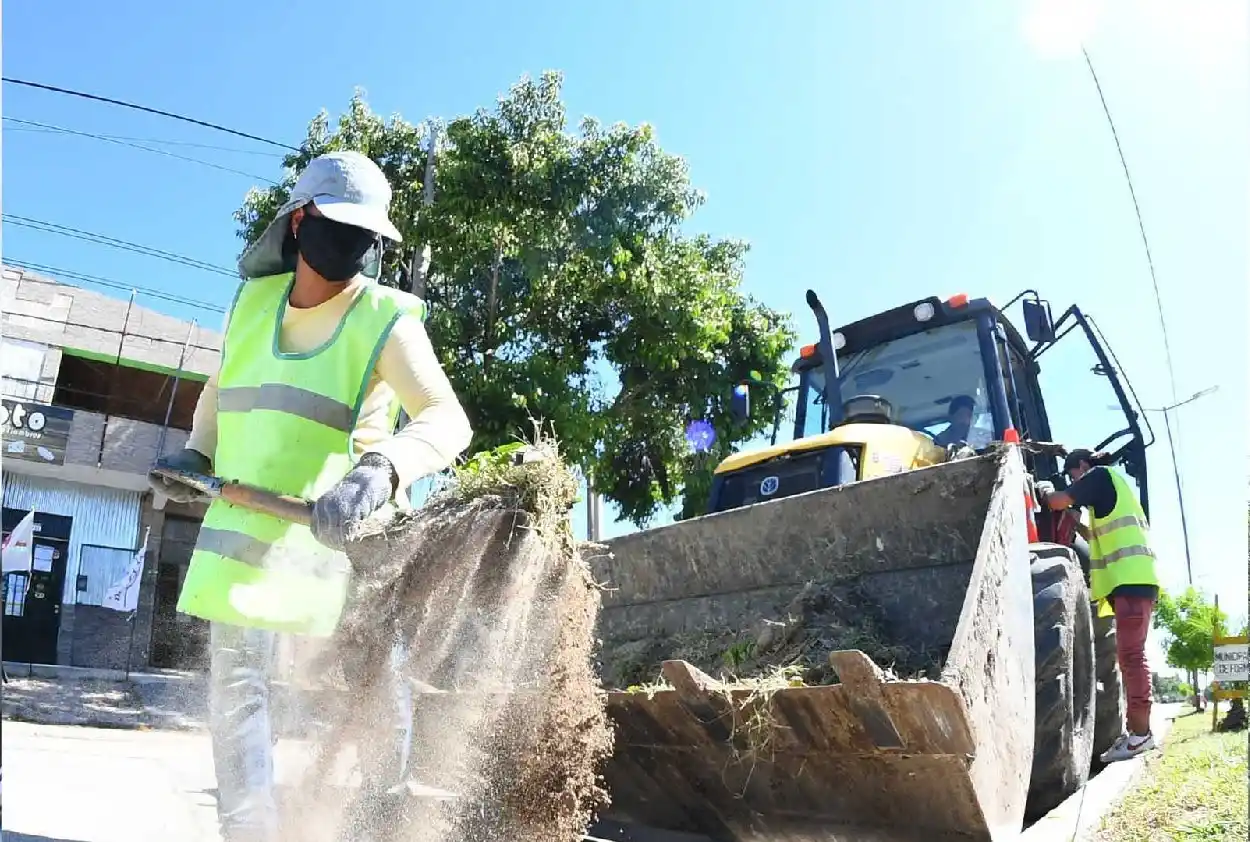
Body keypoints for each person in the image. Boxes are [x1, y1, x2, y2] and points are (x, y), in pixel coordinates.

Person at [150, 151, 473, 842]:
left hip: (348, 542)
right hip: (250, 538)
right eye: (340, 227)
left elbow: (447, 421)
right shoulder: (253, 304)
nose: (355, 246)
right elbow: (222, 384)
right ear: (300, 223)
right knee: (238, 701)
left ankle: (383, 825)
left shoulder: (385, 317)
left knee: (374, 696)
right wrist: (198, 449)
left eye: (368, 236)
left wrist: (382, 469)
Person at [1037, 448, 1160, 763]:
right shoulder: (1114, 485)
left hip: (1130, 581)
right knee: (1130, 656)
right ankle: (1137, 731)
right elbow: (1095, 535)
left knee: (1132, 657)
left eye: (1072, 474)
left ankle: (1140, 735)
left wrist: (1048, 490)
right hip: (1136, 581)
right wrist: (1076, 523)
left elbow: (1057, 501)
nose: (1074, 481)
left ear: (1081, 466)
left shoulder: (1098, 476)